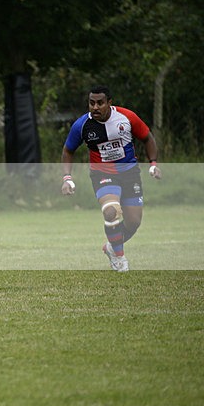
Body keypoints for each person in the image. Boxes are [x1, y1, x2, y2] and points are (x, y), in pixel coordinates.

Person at [61, 85, 161, 272]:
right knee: (111, 211)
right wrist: (67, 177)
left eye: (100, 103)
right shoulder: (81, 125)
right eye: (92, 103)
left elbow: (148, 138)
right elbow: (68, 150)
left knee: (133, 222)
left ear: (109, 103)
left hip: (130, 173)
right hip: (102, 174)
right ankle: (120, 258)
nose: (95, 107)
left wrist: (153, 163)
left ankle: (111, 247)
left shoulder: (127, 117)